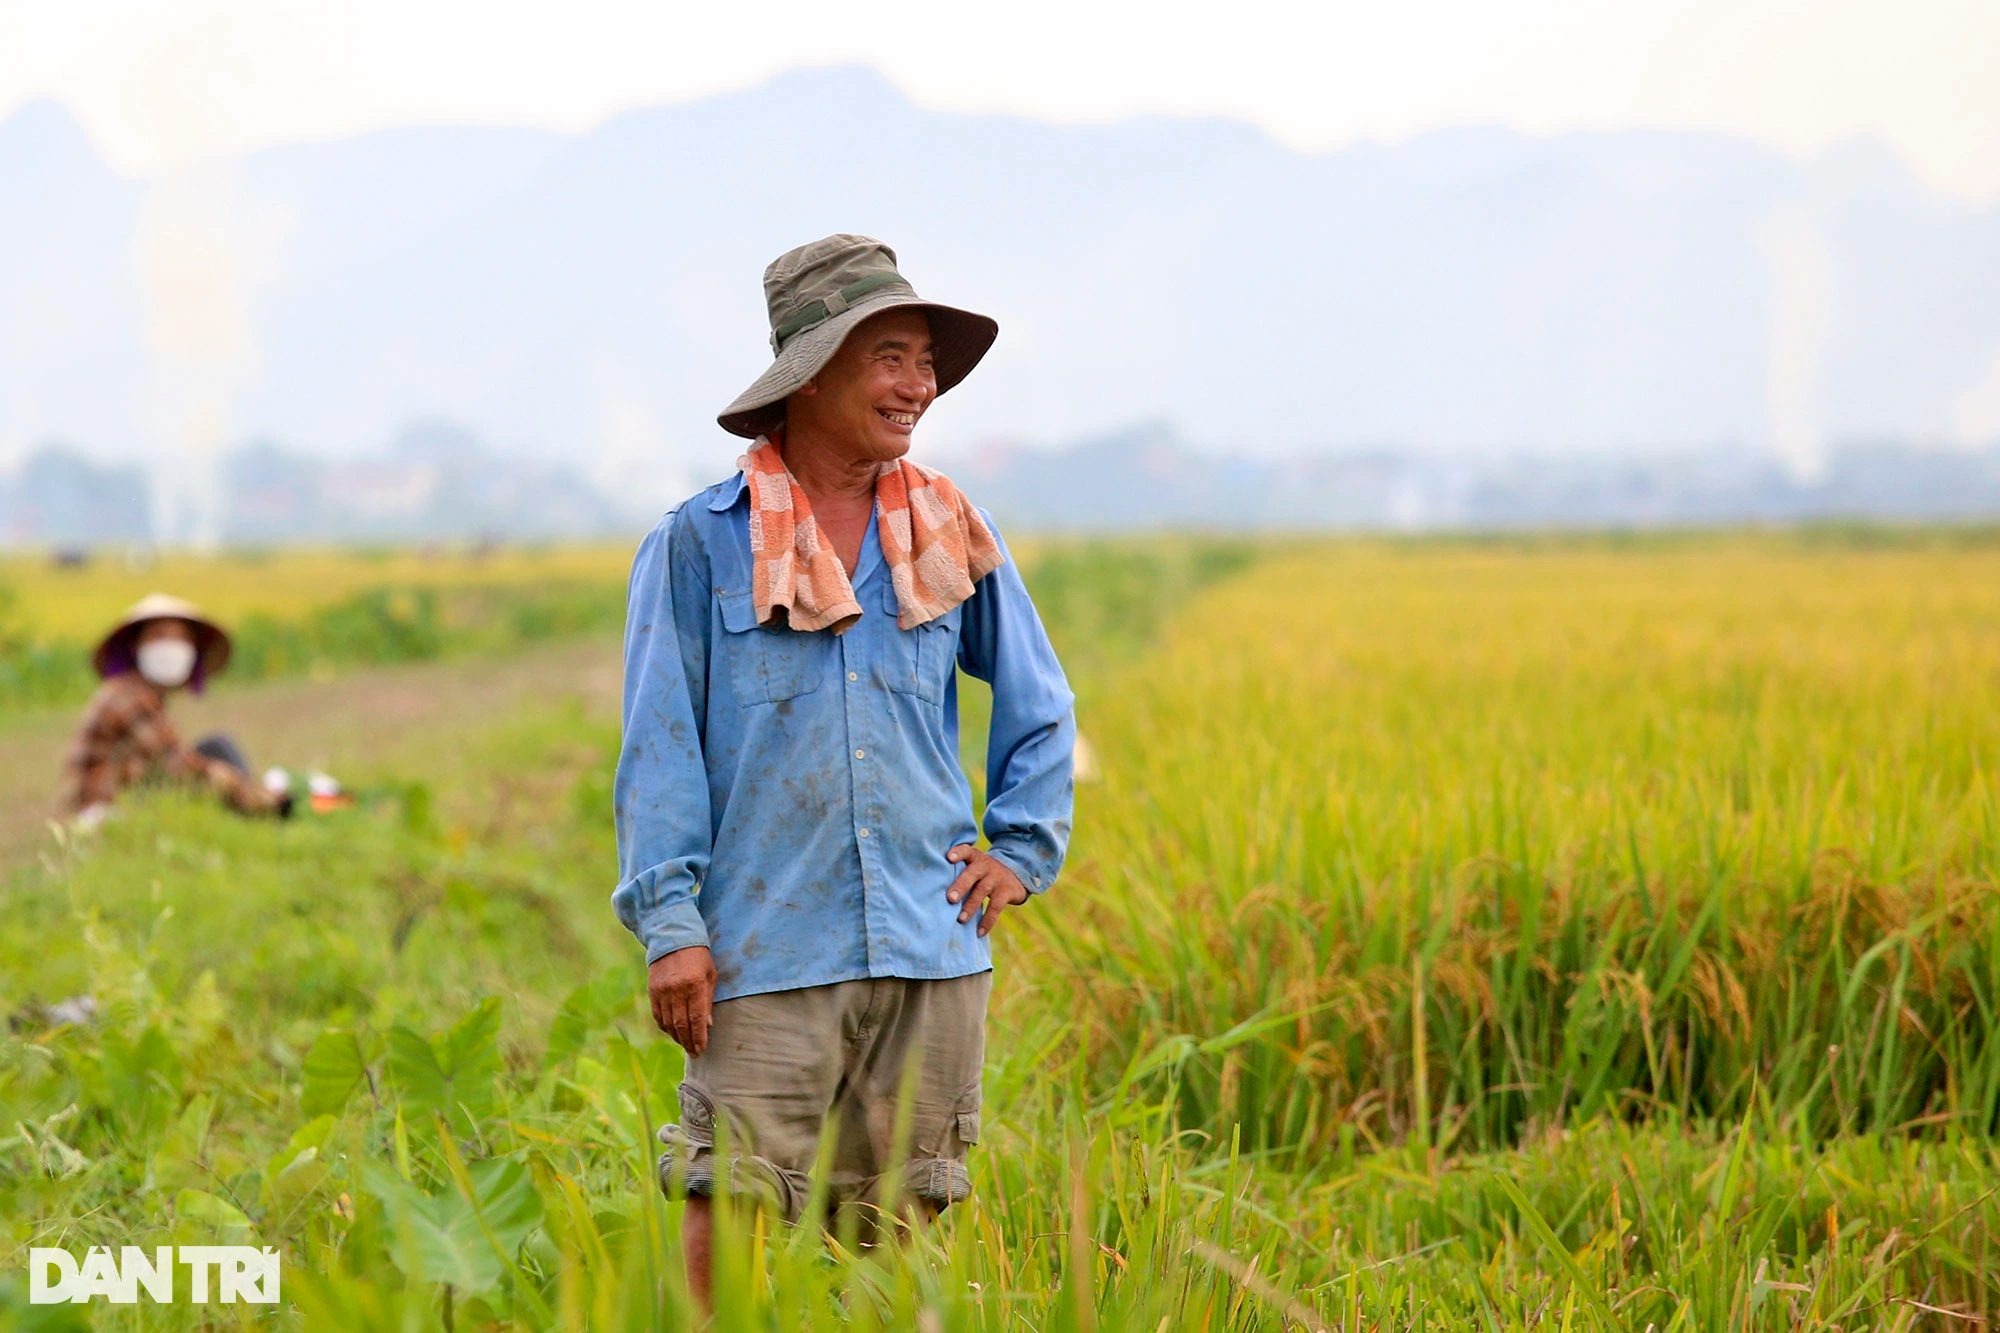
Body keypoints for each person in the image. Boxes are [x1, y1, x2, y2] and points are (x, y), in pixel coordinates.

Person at [613, 234, 1076, 1304]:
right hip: (766, 942)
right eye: (892, 356)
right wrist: (672, 926)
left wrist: (1018, 848)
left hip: (928, 938)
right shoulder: (699, 544)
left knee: (904, 1220)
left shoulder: (948, 526)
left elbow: (1038, 700)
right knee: (721, 1199)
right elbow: (659, 747)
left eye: (925, 362)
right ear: (811, 372)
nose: (918, 385)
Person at [60, 594, 291, 826]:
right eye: (159, 636)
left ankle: (258, 813)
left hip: (126, 805)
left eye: (181, 638)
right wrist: (254, 795)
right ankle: (264, 815)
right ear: (136, 645)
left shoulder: (140, 695)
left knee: (212, 752)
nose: (171, 646)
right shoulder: (127, 698)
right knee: (217, 752)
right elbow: (181, 767)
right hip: (100, 816)